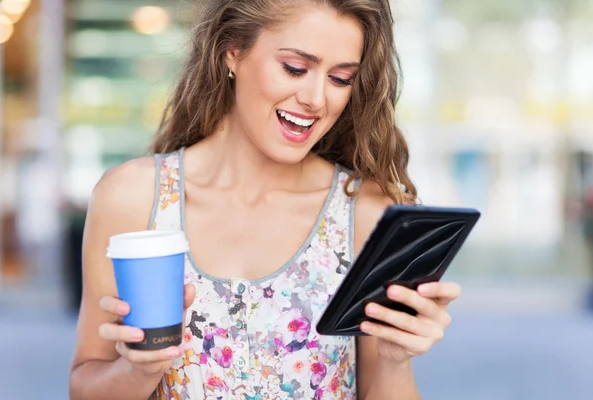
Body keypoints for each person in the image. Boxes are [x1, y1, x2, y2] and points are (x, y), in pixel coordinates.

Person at [69, 0, 461, 399]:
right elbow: (84, 386)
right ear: (232, 51)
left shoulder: (364, 214)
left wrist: (396, 358)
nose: (316, 98)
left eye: (340, 78)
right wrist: (138, 370)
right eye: (295, 68)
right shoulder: (133, 198)